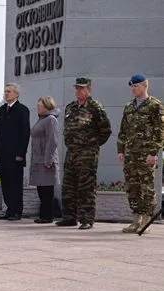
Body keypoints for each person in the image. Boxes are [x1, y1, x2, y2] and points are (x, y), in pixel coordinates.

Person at [56, 77, 112, 230]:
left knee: (86, 187)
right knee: (68, 185)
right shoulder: (70, 107)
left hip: (87, 154)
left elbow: (106, 131)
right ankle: (69, 217)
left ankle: (87, 219)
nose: (78, 91)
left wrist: (92, 145)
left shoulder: (95, 107)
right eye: (76, 88)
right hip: (71, 153)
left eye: (81, 88)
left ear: (89, 89)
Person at [117, 73, 164, 234]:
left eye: (136, 86)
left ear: (145, 85)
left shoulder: (155, 106)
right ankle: (136, 218)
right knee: (132, 186)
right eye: (132, 86)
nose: (133, 89)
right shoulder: (129, 106)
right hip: (130, 154)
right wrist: (120, 150)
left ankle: (146, 219)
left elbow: (160, 131)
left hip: (146, 155)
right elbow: (123, 130)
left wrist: (153, 152)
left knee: (147, 187)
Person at [0, 83, 30, 221]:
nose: (6, 93)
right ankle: (9, 209)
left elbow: (25, 133)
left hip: (15, 155)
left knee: (15, 184)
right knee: (6, 183)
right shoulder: (2, 109)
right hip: (3, 154)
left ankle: (17, 211)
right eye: (5, 91)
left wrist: (21, 153)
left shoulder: (22, 110)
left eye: (9, 91)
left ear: (16, 94)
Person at [29, 96, 60, 224]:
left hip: (46, 161)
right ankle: (44, 215)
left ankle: (47, 216)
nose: (37, 107)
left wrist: (48, 160)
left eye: (40, 105)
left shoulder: (50, 120)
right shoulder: (41, 119)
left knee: (47, 190)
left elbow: (52, 141)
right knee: (41, 189)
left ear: (47, 106)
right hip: (38, 159)